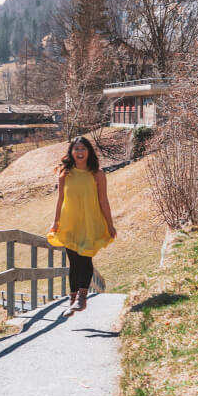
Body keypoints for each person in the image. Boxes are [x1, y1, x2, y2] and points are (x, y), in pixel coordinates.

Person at [47, 135, 116, 315]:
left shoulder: (97, 174)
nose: (79, 152)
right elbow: (60, 199)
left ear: (89, 152)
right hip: (70, 222)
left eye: (83, 149)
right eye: (76, 149)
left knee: (85, 258)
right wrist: (55, 221)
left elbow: (103, 200)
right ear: (71, 152)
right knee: (74, 263)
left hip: (90, 222)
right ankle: (73, 300)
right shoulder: (65, 173)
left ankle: (82, 299)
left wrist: (110, 224)